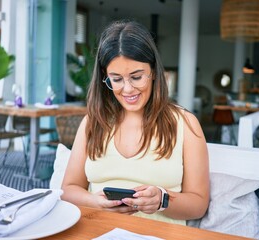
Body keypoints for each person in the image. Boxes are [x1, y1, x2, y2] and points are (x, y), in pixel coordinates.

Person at [61, 20, 209, 225]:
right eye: (117, 79)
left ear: (154, 72)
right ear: (106, 78)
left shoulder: (185, 124)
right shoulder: (93, 122)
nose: (128, 89)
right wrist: (94, 201)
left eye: (136, 77)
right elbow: (67, 190)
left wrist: (162, 200)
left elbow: (199, 204)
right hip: (98, 232)